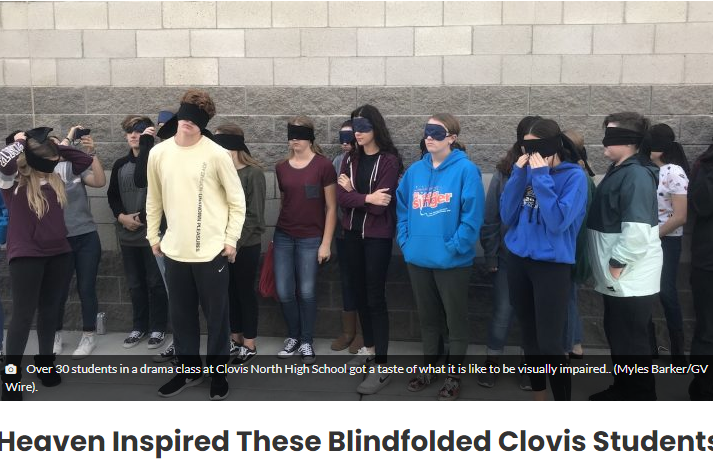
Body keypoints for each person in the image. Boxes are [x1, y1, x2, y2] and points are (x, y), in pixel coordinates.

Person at [147, 89, 245, 400]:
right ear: (178, 115)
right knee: (182, 317)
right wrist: (153, 236)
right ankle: (188, 371)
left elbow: (236, 200)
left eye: (195, 120)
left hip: (211, 252)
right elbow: (154, 198)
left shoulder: (216, 154)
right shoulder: (158, 154)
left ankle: (218, 375)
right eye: (185, 116)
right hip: (174, 251)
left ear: (203, 124)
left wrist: (230, 240)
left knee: (217, 318)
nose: (188, 123)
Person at [0, 128, 92, 401]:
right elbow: (2, 161)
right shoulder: (12, 182)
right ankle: (11, 377)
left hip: (59, 253)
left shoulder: (56, 177)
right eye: (47, 157)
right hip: (26, 254)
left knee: (50, 311)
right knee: (23, 315)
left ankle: (44, 363)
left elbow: (83, 162)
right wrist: (22, 143)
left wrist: (54, 147)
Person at [396, 113, 484, 400]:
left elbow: (472, 217)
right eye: (427, 132)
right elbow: (402, 209)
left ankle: (454, 374)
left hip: (452, 262)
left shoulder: (466, 170)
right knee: (428, 319)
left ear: (452, 138)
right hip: (418, 259)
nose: (430, 137)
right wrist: (406, 242)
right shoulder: (414, 172)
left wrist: (455, 246)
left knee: (455, 321)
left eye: (437, 132)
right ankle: (429, 367)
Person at [500, 118, 588, 401]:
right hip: (519, 260)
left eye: (536, 147)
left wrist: (541, 178)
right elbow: (507, 215)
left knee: (550, 342)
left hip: (551, 266)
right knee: (529, 337)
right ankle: (539, 397)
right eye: (526, 147)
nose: (531, 153)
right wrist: (518, 174)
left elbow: (558, 221)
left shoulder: (574, 177)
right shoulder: (524, 171)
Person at [587, 112, 662, 401]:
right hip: (618, 279)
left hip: (629, 278)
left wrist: (618, 265)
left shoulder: (635, 175)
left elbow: (638, 230)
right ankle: (623, 388)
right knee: (620, 337)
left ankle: (640, 398)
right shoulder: (621, 169)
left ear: (630, 142)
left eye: (611, 135)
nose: (604, 141)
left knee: (633, 341)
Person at [337, 105, 401, 395]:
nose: (358, 133)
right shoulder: (348, 159)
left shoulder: (389, 160)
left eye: (363, 127)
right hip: (351, 235)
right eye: (355, 128)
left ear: (376, 127)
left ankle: (382, 365)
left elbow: (380, 207)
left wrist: (354, 194)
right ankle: (370, 349)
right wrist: (364, 196)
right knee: (359, 293)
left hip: (377, 238)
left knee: (375, 297)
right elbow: (340, 197)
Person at [478, 115, 540, 391]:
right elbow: (491, 215)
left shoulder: (554, 169)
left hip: (541, 258)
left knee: (535, 315)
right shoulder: (505, 170)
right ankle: (492, 362)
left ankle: (532, 368)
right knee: (503, 312)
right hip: (508, 256)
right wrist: (490, 253)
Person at [274, 116, 337, 364]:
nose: (294, 139)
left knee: (308, 292)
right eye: (291, 135)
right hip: (283, 236)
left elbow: (332, 207)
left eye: (299, 134)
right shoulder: (281, 167)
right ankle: (293, 337)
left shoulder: (323, 166)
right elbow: (284, 200)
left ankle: (307, 340)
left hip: (311, 238)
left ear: (310, 137)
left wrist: (326, 242)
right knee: (284, 291)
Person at [108, 116, 168, 350]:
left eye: (139, 131)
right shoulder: (120, 164)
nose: (134, 135)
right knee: (135, 284)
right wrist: (121, 217)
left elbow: (161, 195)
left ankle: (158, 328)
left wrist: (142, 218)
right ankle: (139, 326)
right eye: (130, 132)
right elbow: (112, 195)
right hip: (127, 234)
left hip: (152, 235)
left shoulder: (155, 161)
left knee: (156, 283)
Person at [213, 123, 266, 365]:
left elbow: (254, 215)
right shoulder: (220, 173)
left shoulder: (252, 173)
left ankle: (250, 343)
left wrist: (234, 243)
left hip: (246, 244)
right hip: (222, 244)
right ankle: (235, 338)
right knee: (228, 292)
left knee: (245, 292)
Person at [53, 125, 106, 359]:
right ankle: (54, 334)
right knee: (58, 291)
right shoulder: (39, 172)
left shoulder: (73, 167)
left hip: (85, 236)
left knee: (86, 288)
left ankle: (88, 336)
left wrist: (92, 154)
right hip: (58, 240)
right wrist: (66, 138)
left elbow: (99, 181)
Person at [642, 123, 689, 366]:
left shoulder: (673, 172)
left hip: (667, 241)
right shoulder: (644, 170)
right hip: (646, 240)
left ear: (658, 149)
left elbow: (680, 216)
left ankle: (678, 354)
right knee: (644, 292)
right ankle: (650, 349)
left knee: (667, 292)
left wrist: (654, 235)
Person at [562, 129, 597, 361]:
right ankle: (575, 343)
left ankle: (568, 345)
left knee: (566, 299)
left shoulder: (577, 177)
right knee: (570, 297)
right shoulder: (585, 175)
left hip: (572, 247)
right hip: (580, 246)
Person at [330, 120, 362, 354]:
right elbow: (334, 198)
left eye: (348, 138)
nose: (344, 144)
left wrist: (353, 192)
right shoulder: (338, 162)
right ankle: (349, 331)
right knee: (347, 280)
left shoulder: (371, 160)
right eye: (341, 139)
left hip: (364, 231)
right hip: (343, 230)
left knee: (365, 281)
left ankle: (363, 331)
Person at [688, 141, 713, 400]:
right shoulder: (704, 165)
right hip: (708, 263)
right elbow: (703, 205)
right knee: (707, 330)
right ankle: (704, 390)